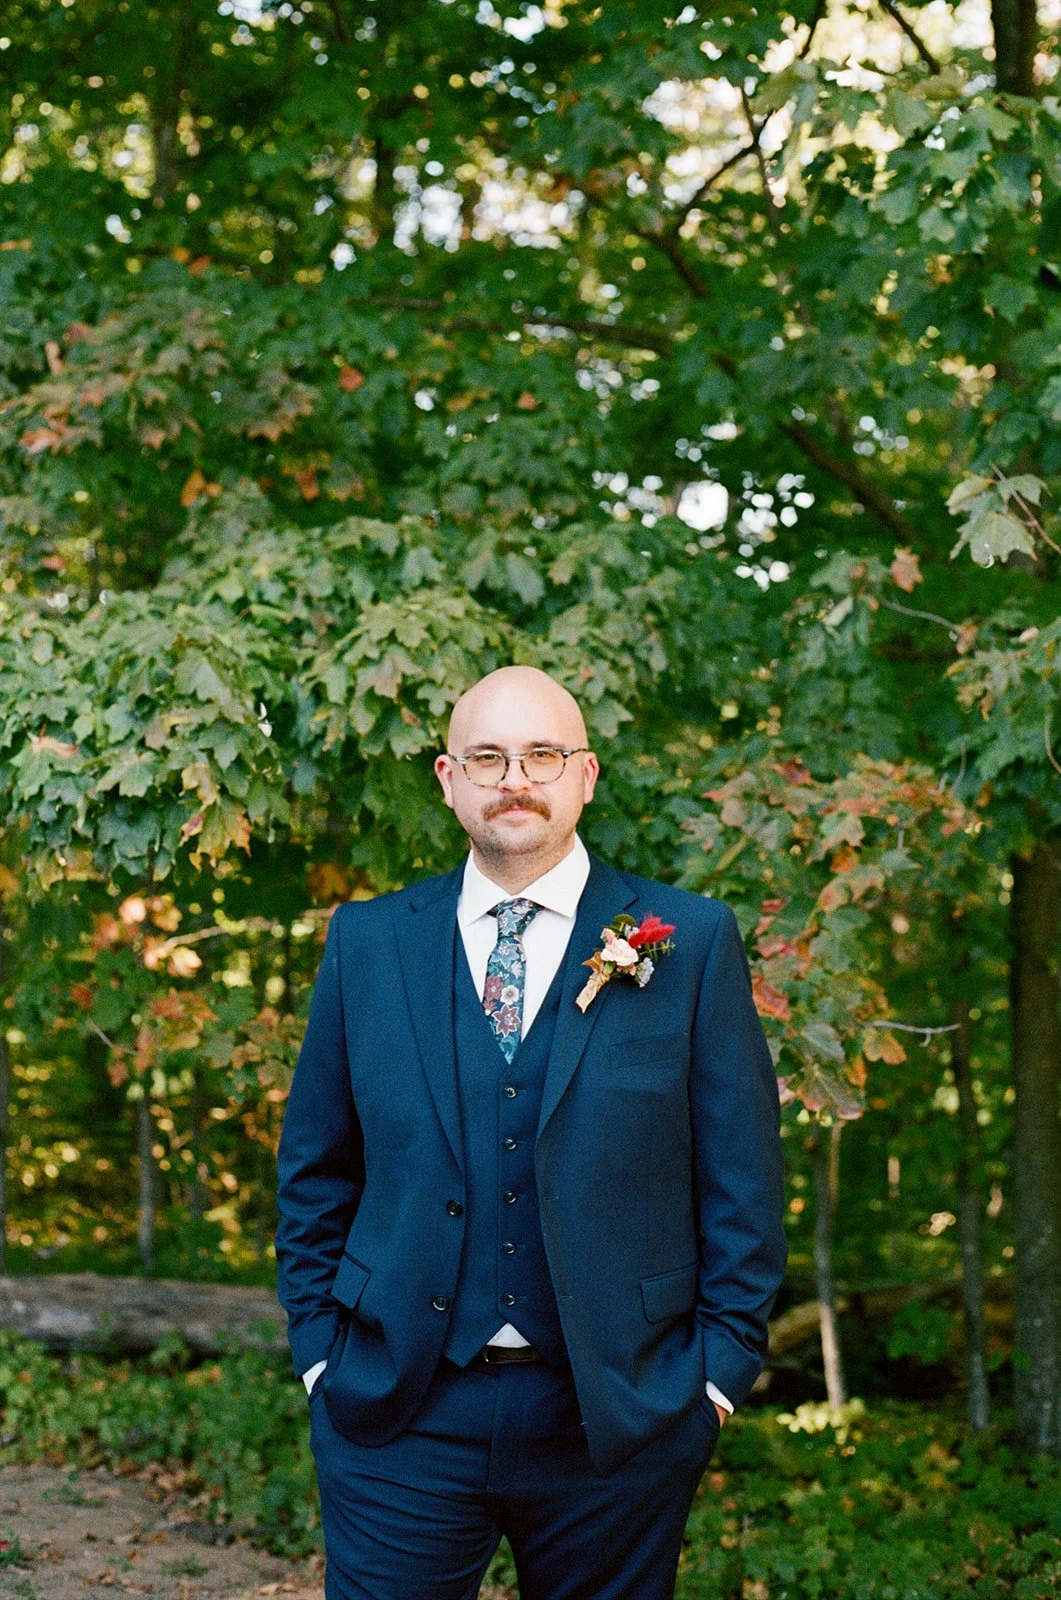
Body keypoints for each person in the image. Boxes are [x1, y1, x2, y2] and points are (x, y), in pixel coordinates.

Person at [275, 665, 787, 1600]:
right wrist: (319, 1353)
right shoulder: (367, 942)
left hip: (620, 1411)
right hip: (396, 1410)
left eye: (541, 754)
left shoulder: (692, 942)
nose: (514, 778)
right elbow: (316, 1170)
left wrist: (713, 1379)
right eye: (487, 757)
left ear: (584, 775)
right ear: (447, 778)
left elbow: (741, 1180)